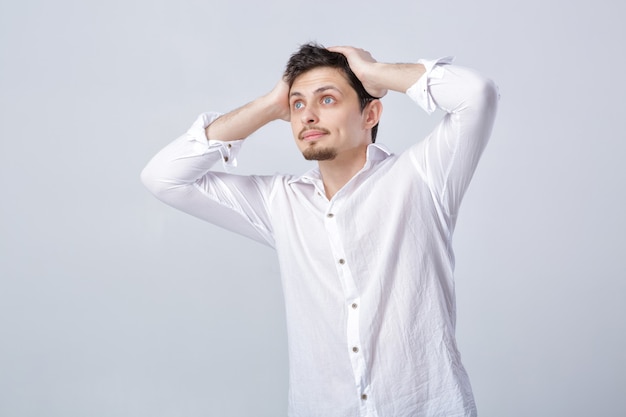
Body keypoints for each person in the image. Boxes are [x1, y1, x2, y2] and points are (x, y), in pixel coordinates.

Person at [141, 43, 499, 417]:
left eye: (327, 100)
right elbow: (163, 178)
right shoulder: (280, 203)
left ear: (370, 114)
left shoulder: (421, 178)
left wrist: (374, 73)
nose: (307, 116)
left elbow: (477, 95)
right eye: (297, 105)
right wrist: (270, 104)